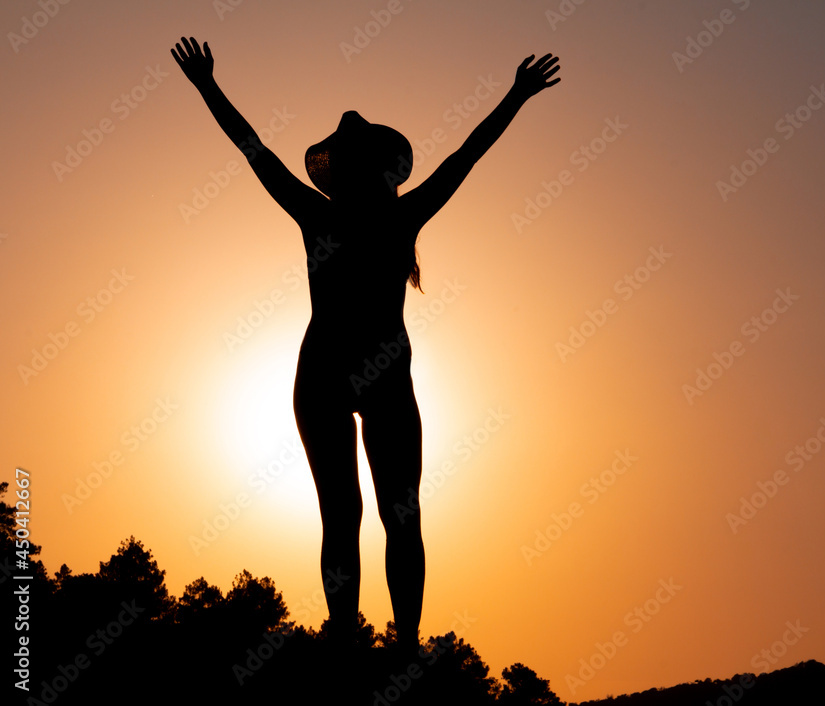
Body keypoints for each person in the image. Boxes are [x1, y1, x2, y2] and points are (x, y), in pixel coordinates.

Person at [171, 36, 560, 658]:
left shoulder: (380, 216)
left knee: (398, 514)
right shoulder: (328, 214)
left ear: (376, 169)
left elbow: (468, 153)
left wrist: (516, 95)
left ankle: (402, 643)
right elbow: (254, 150)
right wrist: (207, 86)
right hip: (327, 376)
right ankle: (349, 640)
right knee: (346, 514)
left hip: (377, 378)